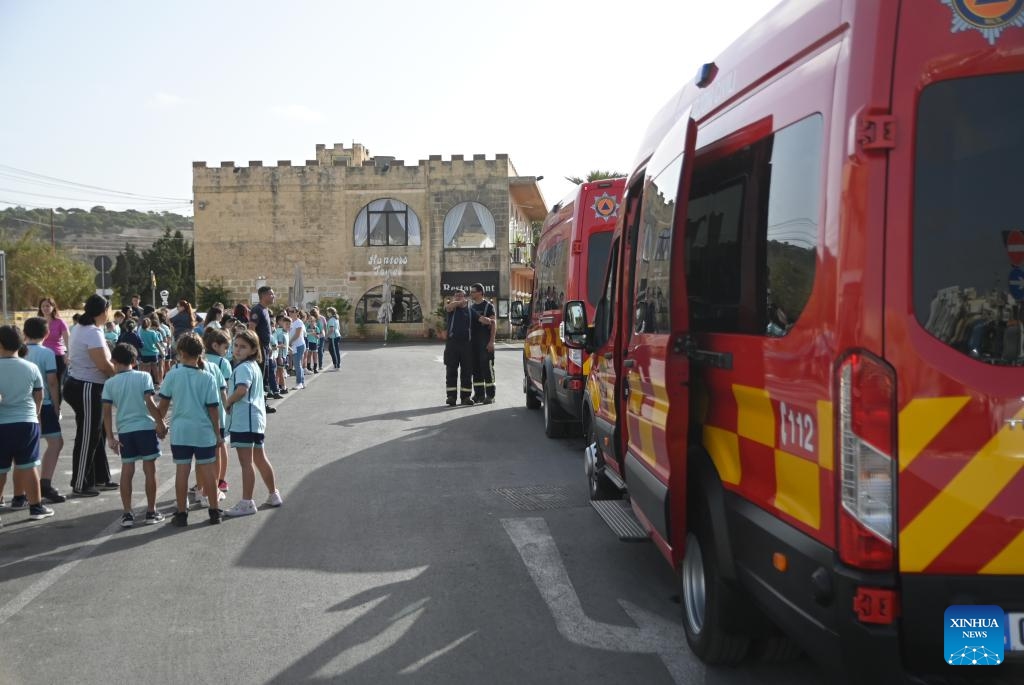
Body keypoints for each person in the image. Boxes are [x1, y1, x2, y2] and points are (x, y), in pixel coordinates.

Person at [157, 333, 224, 526]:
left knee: (182, 471)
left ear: (181, 353)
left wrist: (159, 424)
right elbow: (213, 410)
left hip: (181, 431)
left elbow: (162, 406)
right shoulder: (208, 378)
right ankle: (214, 511)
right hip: (203, 432)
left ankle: (181, 513)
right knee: (209, 472)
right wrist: (218, 434)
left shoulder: (173, 375)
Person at [102, 344, 167, 527]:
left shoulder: (110, 383)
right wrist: (160, 423)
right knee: (150, 470)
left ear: (114, 360)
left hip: (125, 430)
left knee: (127, 470)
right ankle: (151, 512)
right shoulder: (144, 376)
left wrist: (110, 437)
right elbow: (149, 402)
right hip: (145, 428)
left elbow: (106, 412)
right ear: (134, 361)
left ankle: (127, 513)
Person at [0, 325, 56, 522]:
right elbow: (39, 394)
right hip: (27, 422)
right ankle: (36, 506)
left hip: (2, 423)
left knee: (1, 469)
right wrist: (36, 413)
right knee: (29, 465)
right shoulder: (31, 367)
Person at [224, 331, 282, 516]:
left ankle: (247, 502)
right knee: (259, 458)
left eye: (243, 346)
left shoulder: (243, 368)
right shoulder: (253, 365)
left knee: (246, 462)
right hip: (255, 419)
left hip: (245, 420)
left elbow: (242, 389)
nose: (238, 349)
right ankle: (274, 494)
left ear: (253, 349)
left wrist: (228, 401)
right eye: (236, 345)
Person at [64, 294, 118, 496]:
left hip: (86, 385)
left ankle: (100, 477)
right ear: (103, 311)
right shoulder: (92, 332)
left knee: (98, 433)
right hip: (86, 386)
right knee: (88, 435)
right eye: (108, 310)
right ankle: (81, 482)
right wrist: (121, 374)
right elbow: (103, 365)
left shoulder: (84, 328)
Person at [23, 317, 67, 503]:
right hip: (45, 403)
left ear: (24, 333)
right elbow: (52, 381)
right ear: (47, 334)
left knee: (25, 448)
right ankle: (45, 483)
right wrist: (57, 406)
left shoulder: (20, 352)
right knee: (55, 443)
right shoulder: (47, 353)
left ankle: (23, 490)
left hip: (23, 404)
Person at [444, 289, 489, 406]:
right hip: (452, 344)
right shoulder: (452, 308)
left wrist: (490, 321)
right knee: (451, 371)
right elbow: (448, 307)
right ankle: (451, 397)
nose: (458, 297)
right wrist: (460, 302)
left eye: (461, 295)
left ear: (464, 296)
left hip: (466, 345)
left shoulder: (470, 310)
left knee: (467, 372)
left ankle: (465, 397)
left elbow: (481, 319)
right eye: (456, 296)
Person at [202, 327, 234, 494]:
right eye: (225, 347)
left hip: (202, 411)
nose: (227, 351)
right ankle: (220, 479)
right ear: (215, 345)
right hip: (220, 412)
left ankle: (203, 482)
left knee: (204, 449)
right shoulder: (223, 363)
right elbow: (226, 389)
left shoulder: (199, 360)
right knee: (221, 446)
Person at [249, 286, 281, 401]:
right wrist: (257, 347)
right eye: (271, 294)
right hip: (260, 347)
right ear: (263, 296)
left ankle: (264, 402)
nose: (274, 296)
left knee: (265, 375)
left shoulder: (265, 310)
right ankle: (261, 402)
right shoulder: (257, 310)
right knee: (260, 375)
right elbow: (251, 328)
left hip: (265, 347)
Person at [469, 283, 497, 404]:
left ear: (480, 292)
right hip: (474, 344)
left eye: (473, 291)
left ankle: (490, 395)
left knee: (487, 369)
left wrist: (491, 342)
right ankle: (479, 394)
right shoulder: (471, 308)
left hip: (485, 342)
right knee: (476, 370)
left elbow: (494, 325)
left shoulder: (489, 306)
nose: (471, 293)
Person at [38, 297, 70, 386]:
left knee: (56, 384)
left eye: (48, 306)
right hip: (41, 357)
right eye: (43, 306)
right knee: (42, 384)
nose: (45, 308)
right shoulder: (37, 322)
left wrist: (69, 355)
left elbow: (68, 341)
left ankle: (56, 400)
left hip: (57, 357)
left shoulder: (60, 322)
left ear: (53, 307)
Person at [288, 308, 307, 389]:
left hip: (299, 345)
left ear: (297, 313)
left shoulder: (299, 322)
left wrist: (289, 342)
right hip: (294, 346)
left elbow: (297, 334)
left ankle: (299, 382)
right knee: (297, 364)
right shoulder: (290, 322)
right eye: (289, 311)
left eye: (292, 311)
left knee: (297, 364)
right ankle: (301, 382)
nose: (290, 313)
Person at [273, 314, 291, 392]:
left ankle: (277, 386)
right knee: (281, 371)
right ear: (282, 324)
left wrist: (289, 348)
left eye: (289, 324)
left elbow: (285, 344)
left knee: (278, 372)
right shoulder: (280, 333)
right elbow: (280, 345)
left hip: (284, 355)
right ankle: (283, 387)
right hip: (279, 355)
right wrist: (280, 357)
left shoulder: (286, 332)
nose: (288, 326)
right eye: (286, 324)